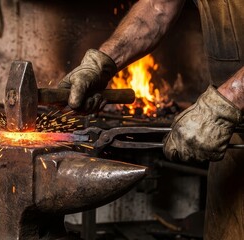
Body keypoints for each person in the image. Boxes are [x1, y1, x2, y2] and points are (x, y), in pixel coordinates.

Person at [58, 0, 244, 239]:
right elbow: (157, 7)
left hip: (223, 112)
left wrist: (227, 101)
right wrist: (101, 62)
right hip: (227, 134)